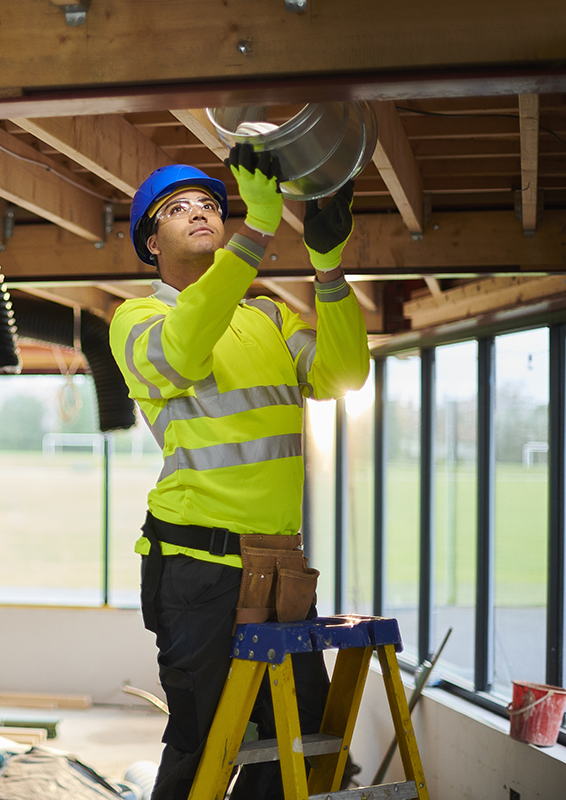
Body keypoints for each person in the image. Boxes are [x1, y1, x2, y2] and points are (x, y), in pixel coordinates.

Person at [108, 144, 370, 800]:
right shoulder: (140, 319)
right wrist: (254, 233)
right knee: (203, 744)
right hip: (198, 571)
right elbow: (184, 351)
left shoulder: (269, 318)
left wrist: (329, 267)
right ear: (151, 244)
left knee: (287, 748)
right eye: (177, 209)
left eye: (208, 205)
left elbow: (343, 374)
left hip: (278, 568)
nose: (199, 212)